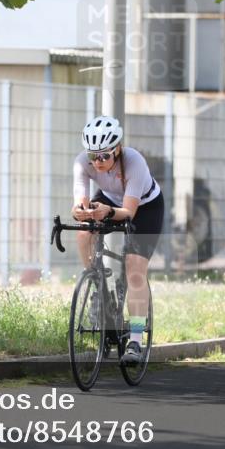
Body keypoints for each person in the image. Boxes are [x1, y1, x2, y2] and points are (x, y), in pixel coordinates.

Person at [72, 115, 164, 365]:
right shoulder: (82, 162)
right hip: (111, 200)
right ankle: (96, 287)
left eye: (104, 156)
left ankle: (135, 339)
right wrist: (82, 211)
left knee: (134, 269)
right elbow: (80, 200)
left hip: (144, 207)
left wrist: (107, 212)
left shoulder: (134, 162)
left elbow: (129, 213)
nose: (98, 162)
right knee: (83, 231)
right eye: (94, 156)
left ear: (118, 149)